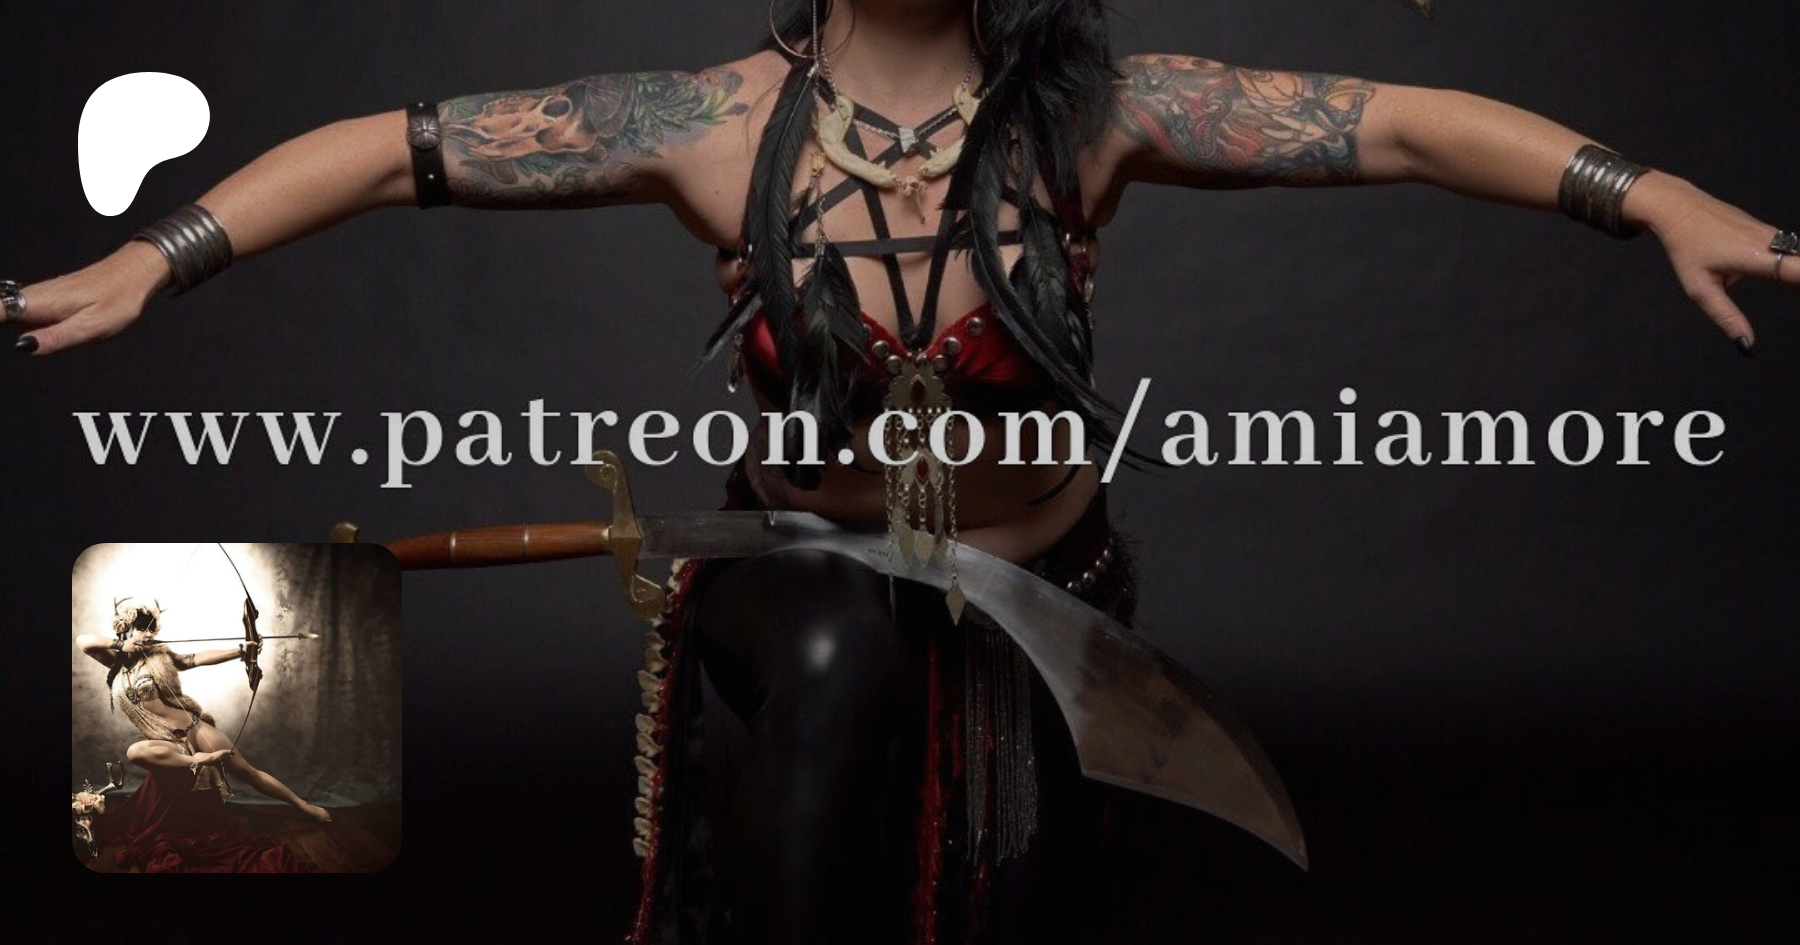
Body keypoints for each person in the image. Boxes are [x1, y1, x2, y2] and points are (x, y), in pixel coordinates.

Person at [11, 0, 1791, 938]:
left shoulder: (1095, 113)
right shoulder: (709, 126)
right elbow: (396, 152)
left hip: (1044, 589)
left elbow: (1394, 125)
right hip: (802, 576)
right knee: (835, 646)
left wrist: (1651, 198)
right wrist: (158, 257)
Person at [74, 598, 327, 872]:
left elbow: (196, 659)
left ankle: (303, 806)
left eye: (150, 629)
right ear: (125, 629)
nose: (146, 635)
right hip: (165, 742)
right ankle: (201, 760)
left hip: (193, 729)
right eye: (140, 628)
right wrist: (119, 645)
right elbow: (83, 642)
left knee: (248, 772)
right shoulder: (116, 663)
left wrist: (241, 650)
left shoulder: (160, 656)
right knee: (135, 752)